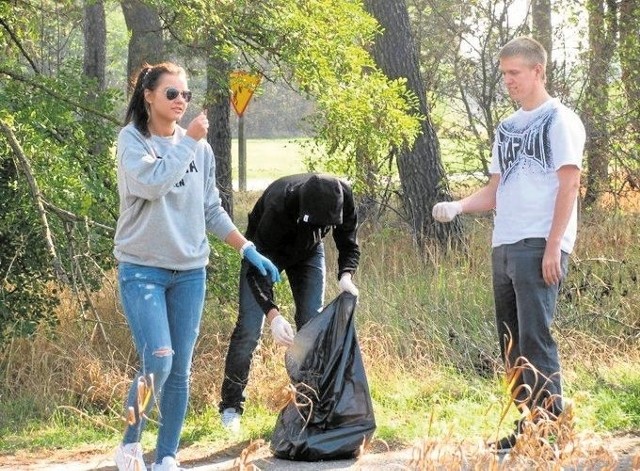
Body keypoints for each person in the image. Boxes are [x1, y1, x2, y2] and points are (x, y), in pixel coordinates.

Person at [112, 62, 280, 471]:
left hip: (189, 272)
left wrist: (248, 249)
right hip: (142, 269)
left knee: (180, 369)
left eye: (185, 94)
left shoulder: (199, 149)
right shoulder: (133, 141)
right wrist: (188, 142)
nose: (181, 101)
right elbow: (152, 185)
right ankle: (130, 443)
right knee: (159, 361)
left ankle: (167, 455)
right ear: (148, 95)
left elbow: (211, 210)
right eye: (172, 94)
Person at [432, 37, 585, 451]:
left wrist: (555, 245)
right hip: (504, 243)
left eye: (514, 73)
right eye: (503, 74)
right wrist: (459, 206)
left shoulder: (560, 120)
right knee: (512, 341)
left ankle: (551, 428)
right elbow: (496, 191)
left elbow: (569, 184)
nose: (508, 82)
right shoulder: (508, 126)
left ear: (538, 71)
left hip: (539, 242)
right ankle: (528, 424)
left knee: (536, 337)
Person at [218, 173, 361, 433]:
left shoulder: (344, 195)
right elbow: (254, 272)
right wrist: (274, 315)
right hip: (266, 254)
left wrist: (346, 277)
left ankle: (309, 407)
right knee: (249, 329)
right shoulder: (279, 204)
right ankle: (230, 407)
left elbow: (348, 242)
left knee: (311, 326)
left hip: (309, 253)